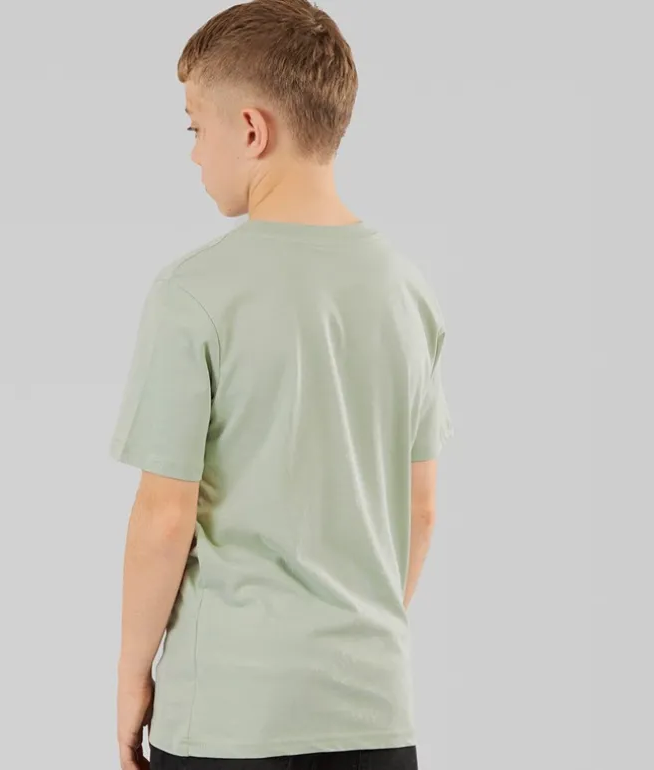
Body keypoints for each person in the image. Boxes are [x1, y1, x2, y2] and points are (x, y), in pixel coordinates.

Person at [110, 1, 454, 768]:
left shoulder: (194, 293)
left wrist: (134, 675)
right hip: (373, 715)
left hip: (228, 716)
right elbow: (422, 509)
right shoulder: (407, 290)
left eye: (196, 127)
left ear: (251, 130)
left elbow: (163, 519)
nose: (195, 155)